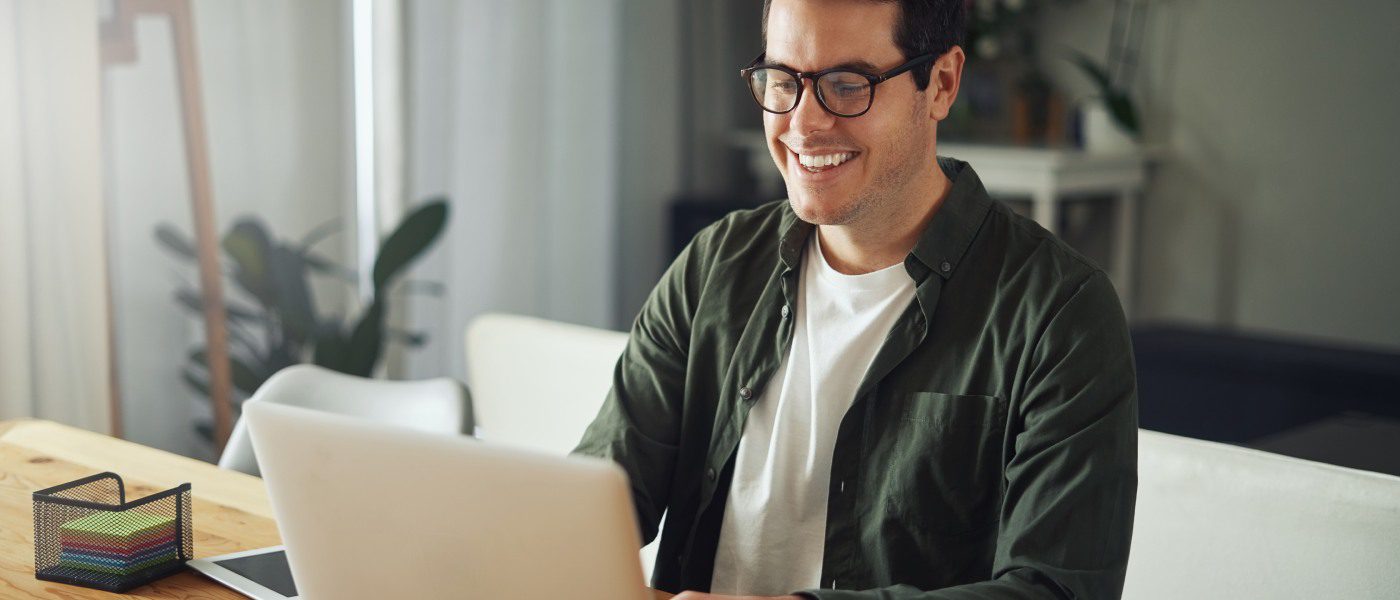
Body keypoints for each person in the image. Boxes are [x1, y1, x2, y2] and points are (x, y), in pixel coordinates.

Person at [575, 0, 1138, 598]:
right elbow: (592, 500)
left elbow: (1055, 591)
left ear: (941, 84)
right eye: (783, 81)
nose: (803, 124)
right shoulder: (714, 266)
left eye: (848, 85)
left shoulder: (1060, 314)